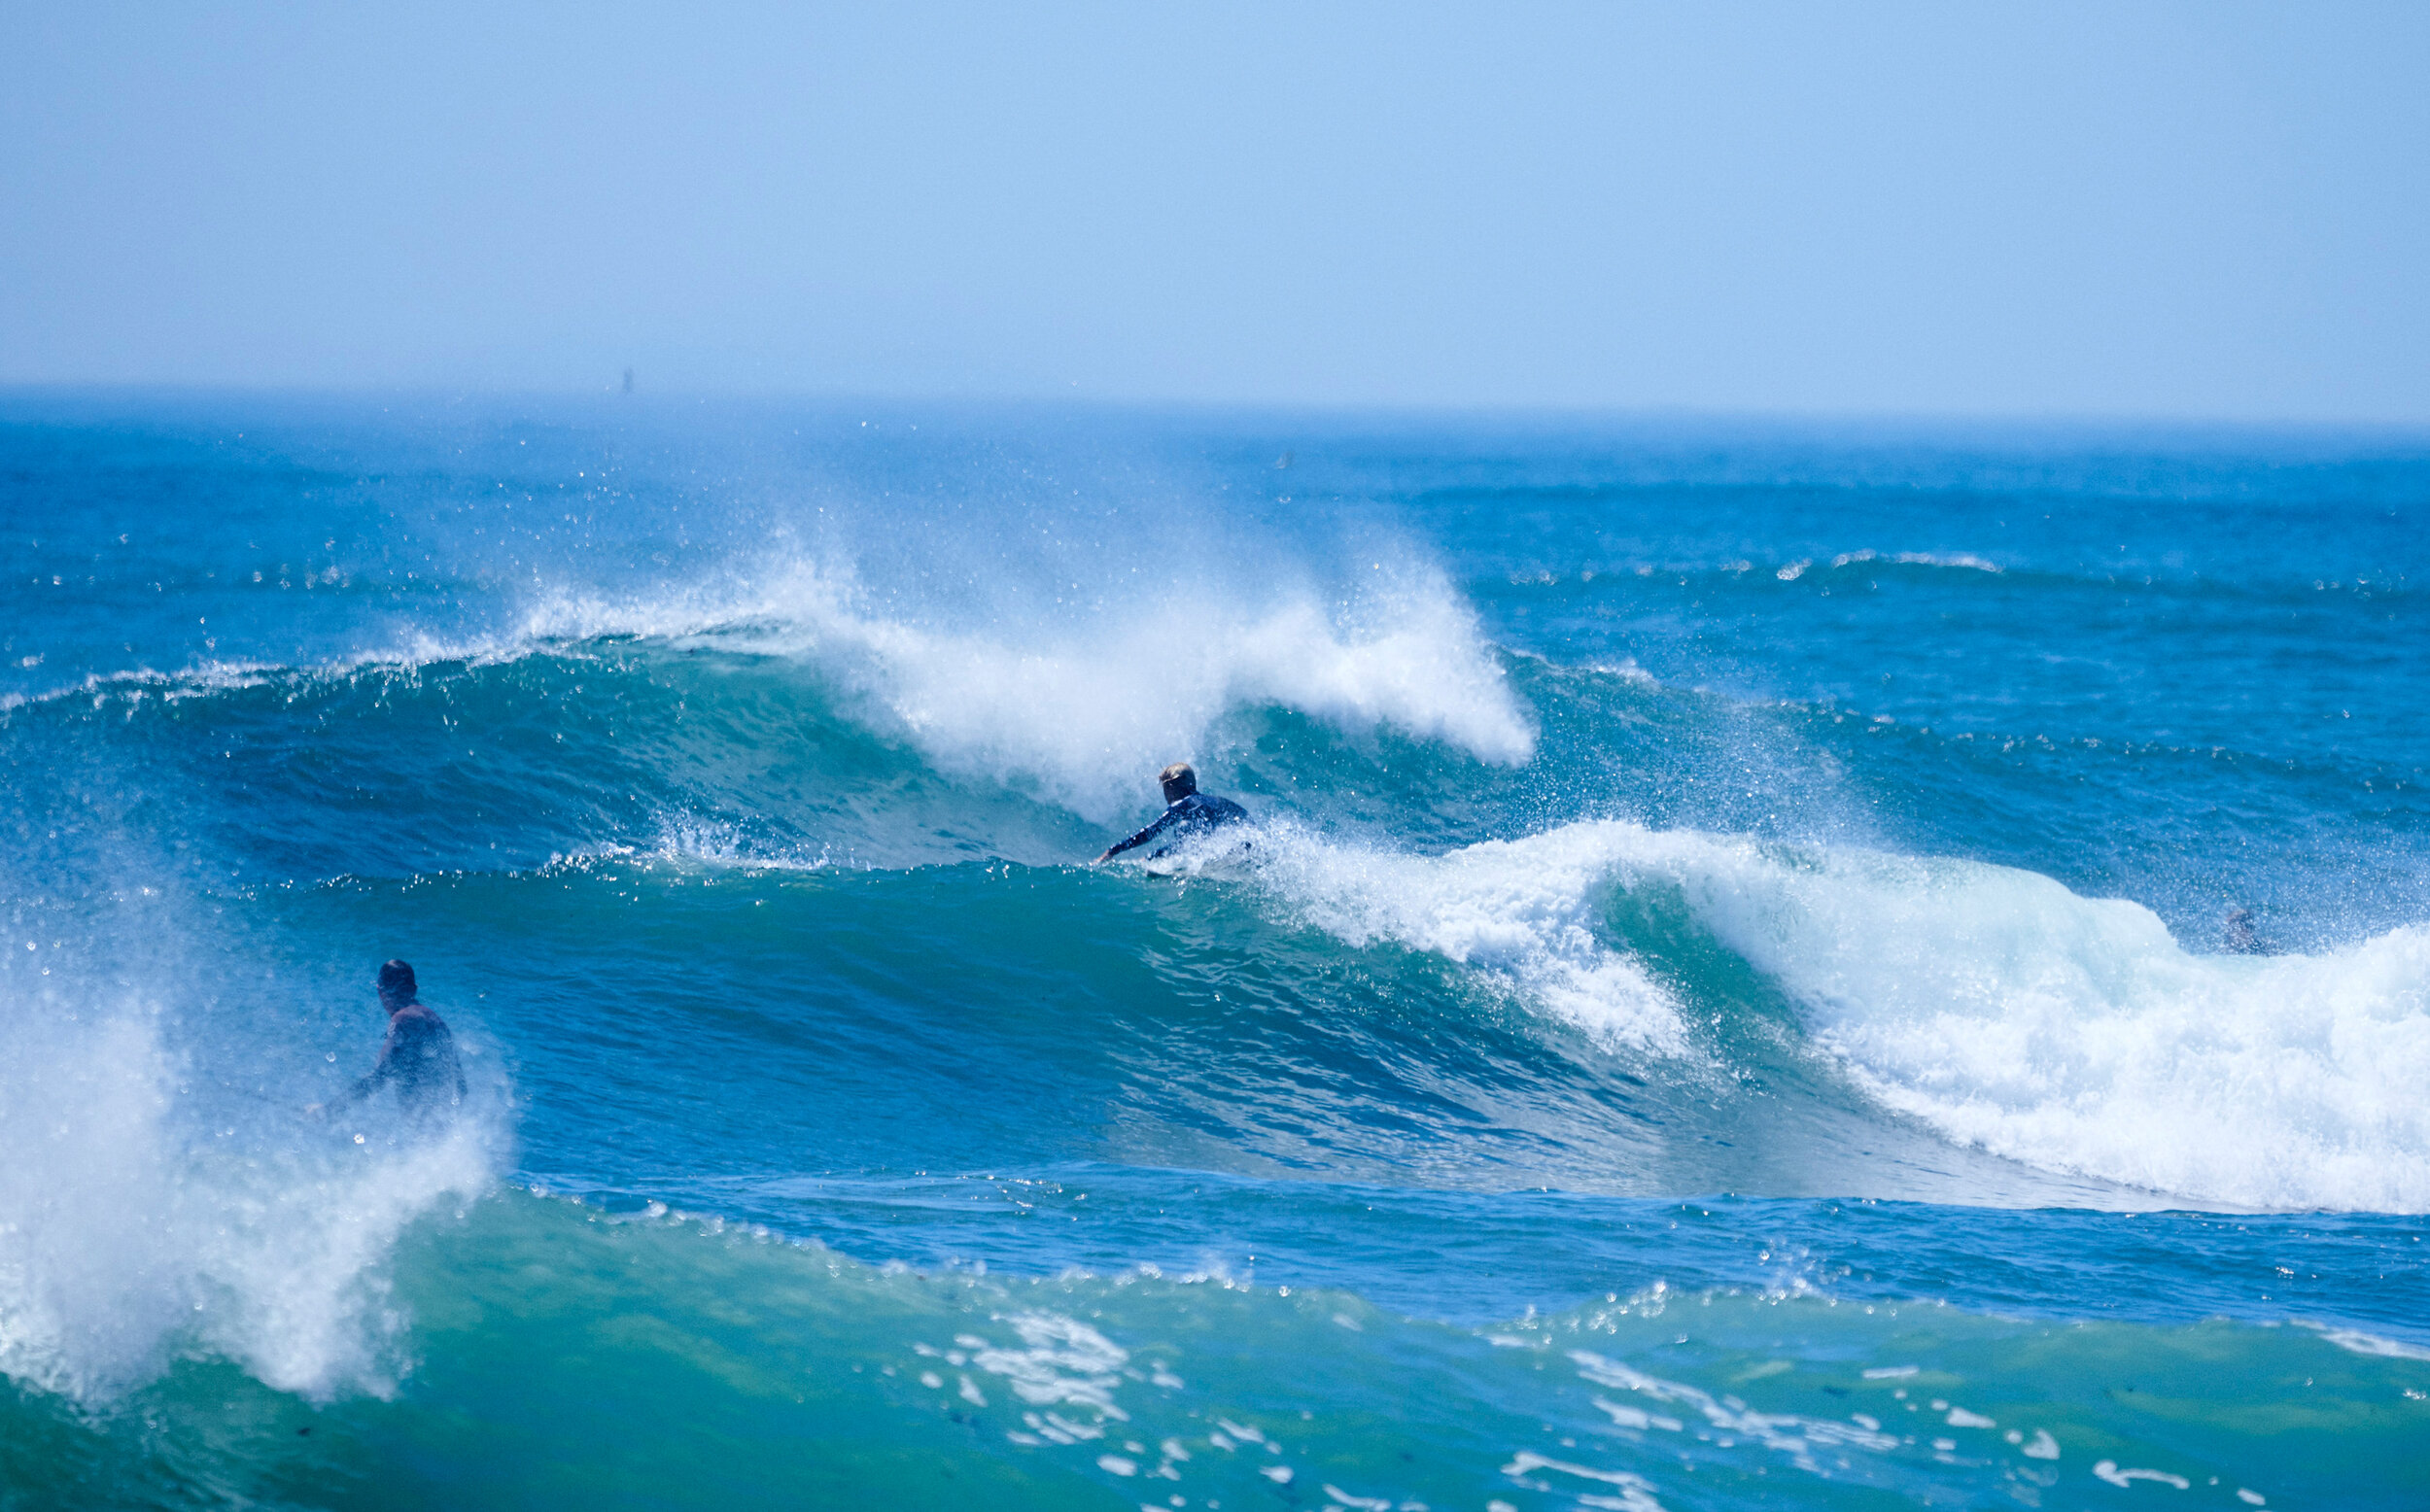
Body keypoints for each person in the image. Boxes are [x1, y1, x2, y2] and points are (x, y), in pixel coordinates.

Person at [347, 959, 466, 1118]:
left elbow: (378, 1078)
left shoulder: (402, 1019)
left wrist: (328, 1112)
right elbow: (461, 1086)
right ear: (414, 990)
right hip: (444, 1121)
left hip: (421, 1125)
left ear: (380, 992)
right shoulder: (437, 1022)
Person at [1096, 763, 1250, 862]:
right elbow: (1187, 844)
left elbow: (1150, 832)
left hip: (1229, 852)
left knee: (1184, 832)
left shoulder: (1183, 804)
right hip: (1248, 846)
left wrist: (1112, 851)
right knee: (1186, 831)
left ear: (1170, 787)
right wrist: (1152, 856)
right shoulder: (1216, 801)